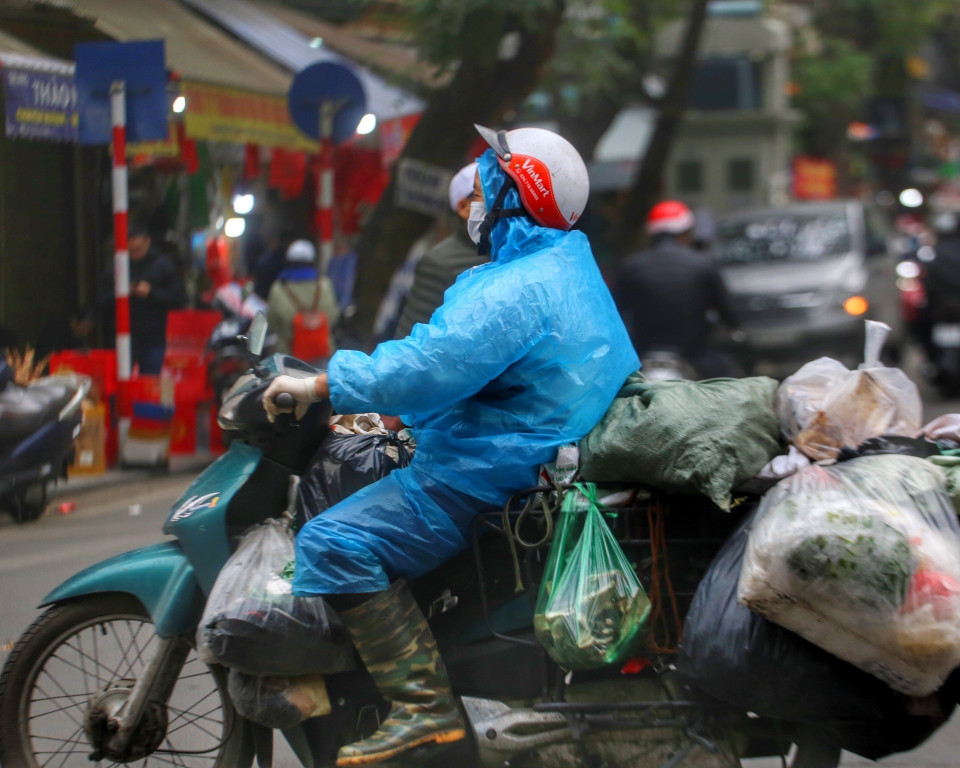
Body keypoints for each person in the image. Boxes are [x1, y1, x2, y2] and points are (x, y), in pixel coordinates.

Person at [263, 125, 638, 767]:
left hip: (485, 474)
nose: (475, 197)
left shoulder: (514, 289)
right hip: (531, 454)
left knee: (333, 540)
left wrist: (325, 382)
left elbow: (432, 365)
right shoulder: (565, 263)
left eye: (488, 182)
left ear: (517, 194)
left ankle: (422, 706)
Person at [612, 200, 740, 377]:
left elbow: (615, 315)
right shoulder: (703, 264)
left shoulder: (630, 266)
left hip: (642, 358)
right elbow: (729, 314)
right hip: (694, 358)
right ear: (685, 233)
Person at [393, 162, 489, 339]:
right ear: (464, 207)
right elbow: (412, 339)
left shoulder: (510, 251)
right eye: (486, 195)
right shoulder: (440, 263)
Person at [124, 222, 185, 375]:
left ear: (147, 241)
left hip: (154, 337)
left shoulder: (162, 265)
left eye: (137, 250)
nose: (134, 255)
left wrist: (151, 293)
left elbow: (177, 299)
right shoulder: (119, 266)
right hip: (125, 337)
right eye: (130, 251)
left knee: (150, 385)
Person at [266, 239, 339, 362]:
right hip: (322, 356)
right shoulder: (325, 285)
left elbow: (271, 322)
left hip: (289, 358)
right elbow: (333, 317)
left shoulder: (278, 288)